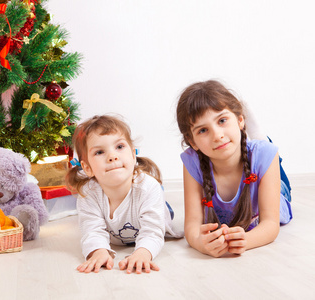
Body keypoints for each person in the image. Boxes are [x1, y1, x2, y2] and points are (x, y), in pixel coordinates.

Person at [176, 80, 292, 258]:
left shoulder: (265, 155)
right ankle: (253, 138)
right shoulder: (192, 162)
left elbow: (270, 224)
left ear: (239, 120)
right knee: (263, 153)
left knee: (271, 158)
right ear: (193, 142)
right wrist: (200, 243)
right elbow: (192, 224)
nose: (217, 135)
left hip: (274, 188)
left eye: (222, 120)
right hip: (249, 165)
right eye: (203, 130)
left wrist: (246, 240)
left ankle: (259, 136)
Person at [66, 115, 181, 274]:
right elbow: (92, 231)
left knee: (153, 199)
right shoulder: (88, 194)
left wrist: (143, 253)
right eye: (99, 152)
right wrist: (98, 251)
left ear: (133, 155)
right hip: (119, 220)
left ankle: (158, 199)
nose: (112, 156)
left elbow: (152, 232)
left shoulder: (148, 188)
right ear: (87, 168)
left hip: (149, 202)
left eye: (119, 147)